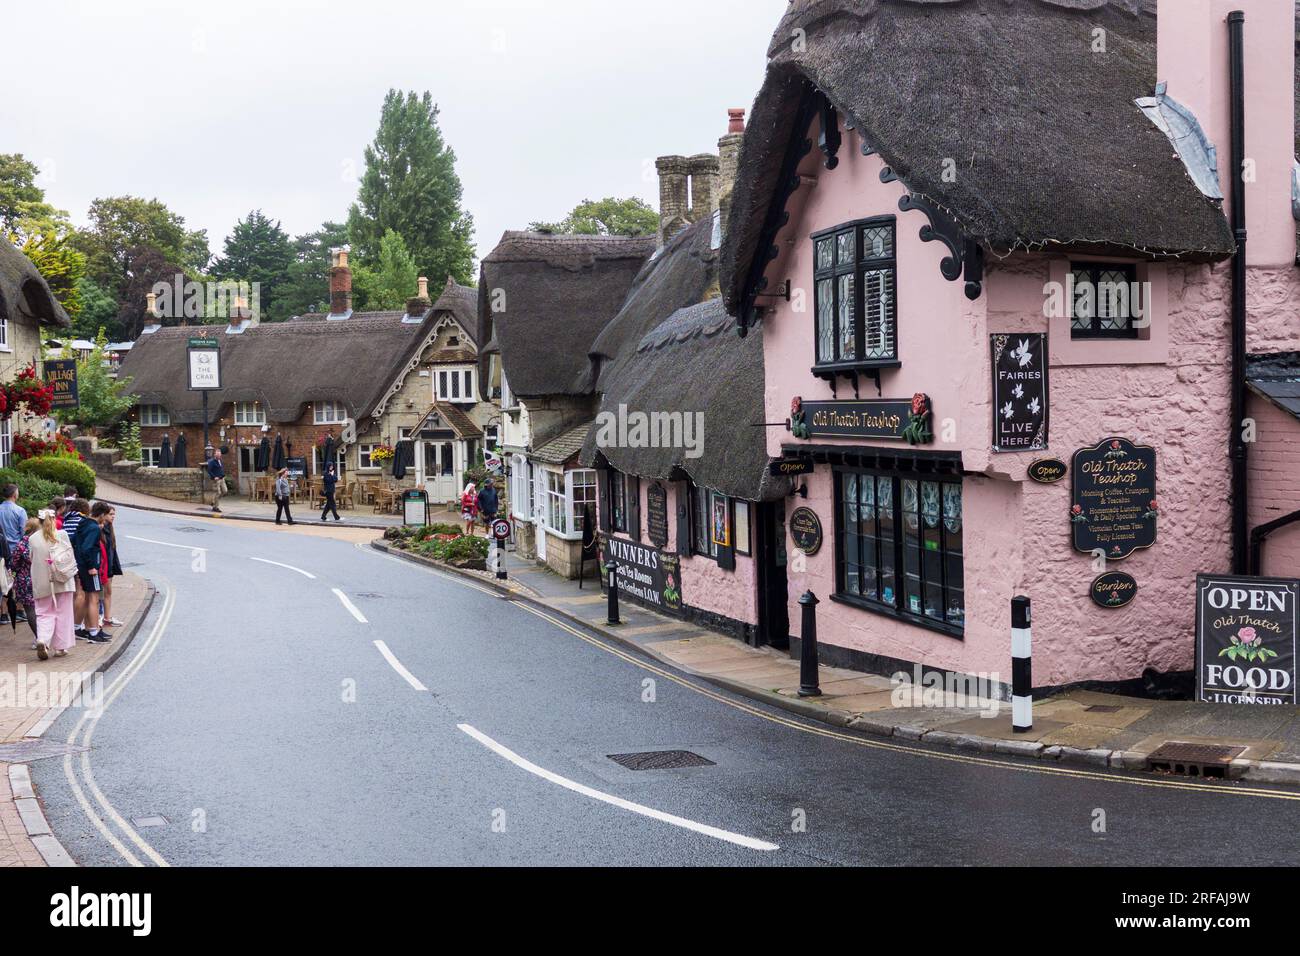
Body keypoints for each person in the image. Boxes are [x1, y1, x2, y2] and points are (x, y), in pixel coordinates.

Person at [30, 508, 76, 660]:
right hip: (62, 580)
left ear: (39, 520)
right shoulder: (62, 535)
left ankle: (43, 639)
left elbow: (31, 559)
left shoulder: (33, 539)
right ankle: (60, 648)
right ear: (54, 518)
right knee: (64, 613)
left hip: (42, 582)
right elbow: (70, 556)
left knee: (43, 613)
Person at [72, 502, 111, 644]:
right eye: (105, 516)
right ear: (101, 514)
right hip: (90, 568)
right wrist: (91, 566)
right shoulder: (94, 528)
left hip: (80, 565)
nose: (105, 519)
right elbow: (87, 548)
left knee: (87, 598)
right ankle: (94, 632)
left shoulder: (83, 523)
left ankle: (77, 628)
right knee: (94, 599)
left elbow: (75, 543)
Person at [10, 517, 38, 649]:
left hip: (25, 580)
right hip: (41, 578)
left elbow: (14, 563)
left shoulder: (22, 544)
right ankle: (46, 637)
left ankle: (39, 638)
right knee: (43, 610)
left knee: (30, 610)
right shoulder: (42, 542)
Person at [100, 507, 123, 627]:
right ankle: (102, 617)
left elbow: (112, 550)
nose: (113, 516)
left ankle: (107, 618)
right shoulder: (101, 529)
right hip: (103, 567)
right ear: (103, 515)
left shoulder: (109, 528)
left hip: (109, 566)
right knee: (102, 593)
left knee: (108, 592)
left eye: (114, 514)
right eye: (110, 514)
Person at [206, 448, 226, 513]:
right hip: (216, 480)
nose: (219, 456)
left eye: (220, 455)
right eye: (218, 455)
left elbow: (221, 468)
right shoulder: (211, 461)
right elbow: (209, 470)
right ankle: (215, 507)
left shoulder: (220, 461)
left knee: (225, 491)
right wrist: (214, 477)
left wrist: (223, 475)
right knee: (218, 493)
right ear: (215, 455)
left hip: (222, 479)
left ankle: (213, 501)